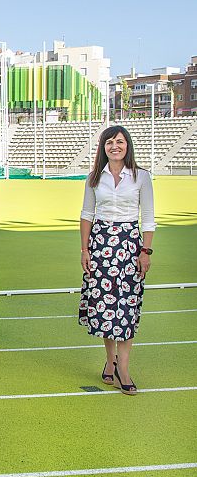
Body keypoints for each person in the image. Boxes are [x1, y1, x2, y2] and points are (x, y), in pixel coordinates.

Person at [79, 125, 155, 396]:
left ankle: (124, 368)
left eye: (120, 142)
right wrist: (85, 250)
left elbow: (148, 217)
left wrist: (145, 252)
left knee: (126, 307)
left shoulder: (141, 177)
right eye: (109, 142)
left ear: (127, 145)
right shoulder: (94, 177)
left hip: (129, 245)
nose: (115, 146)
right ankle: (110, 361)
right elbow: (87, 215)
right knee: (105, 307)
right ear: (103, 147)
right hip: (100, 245)